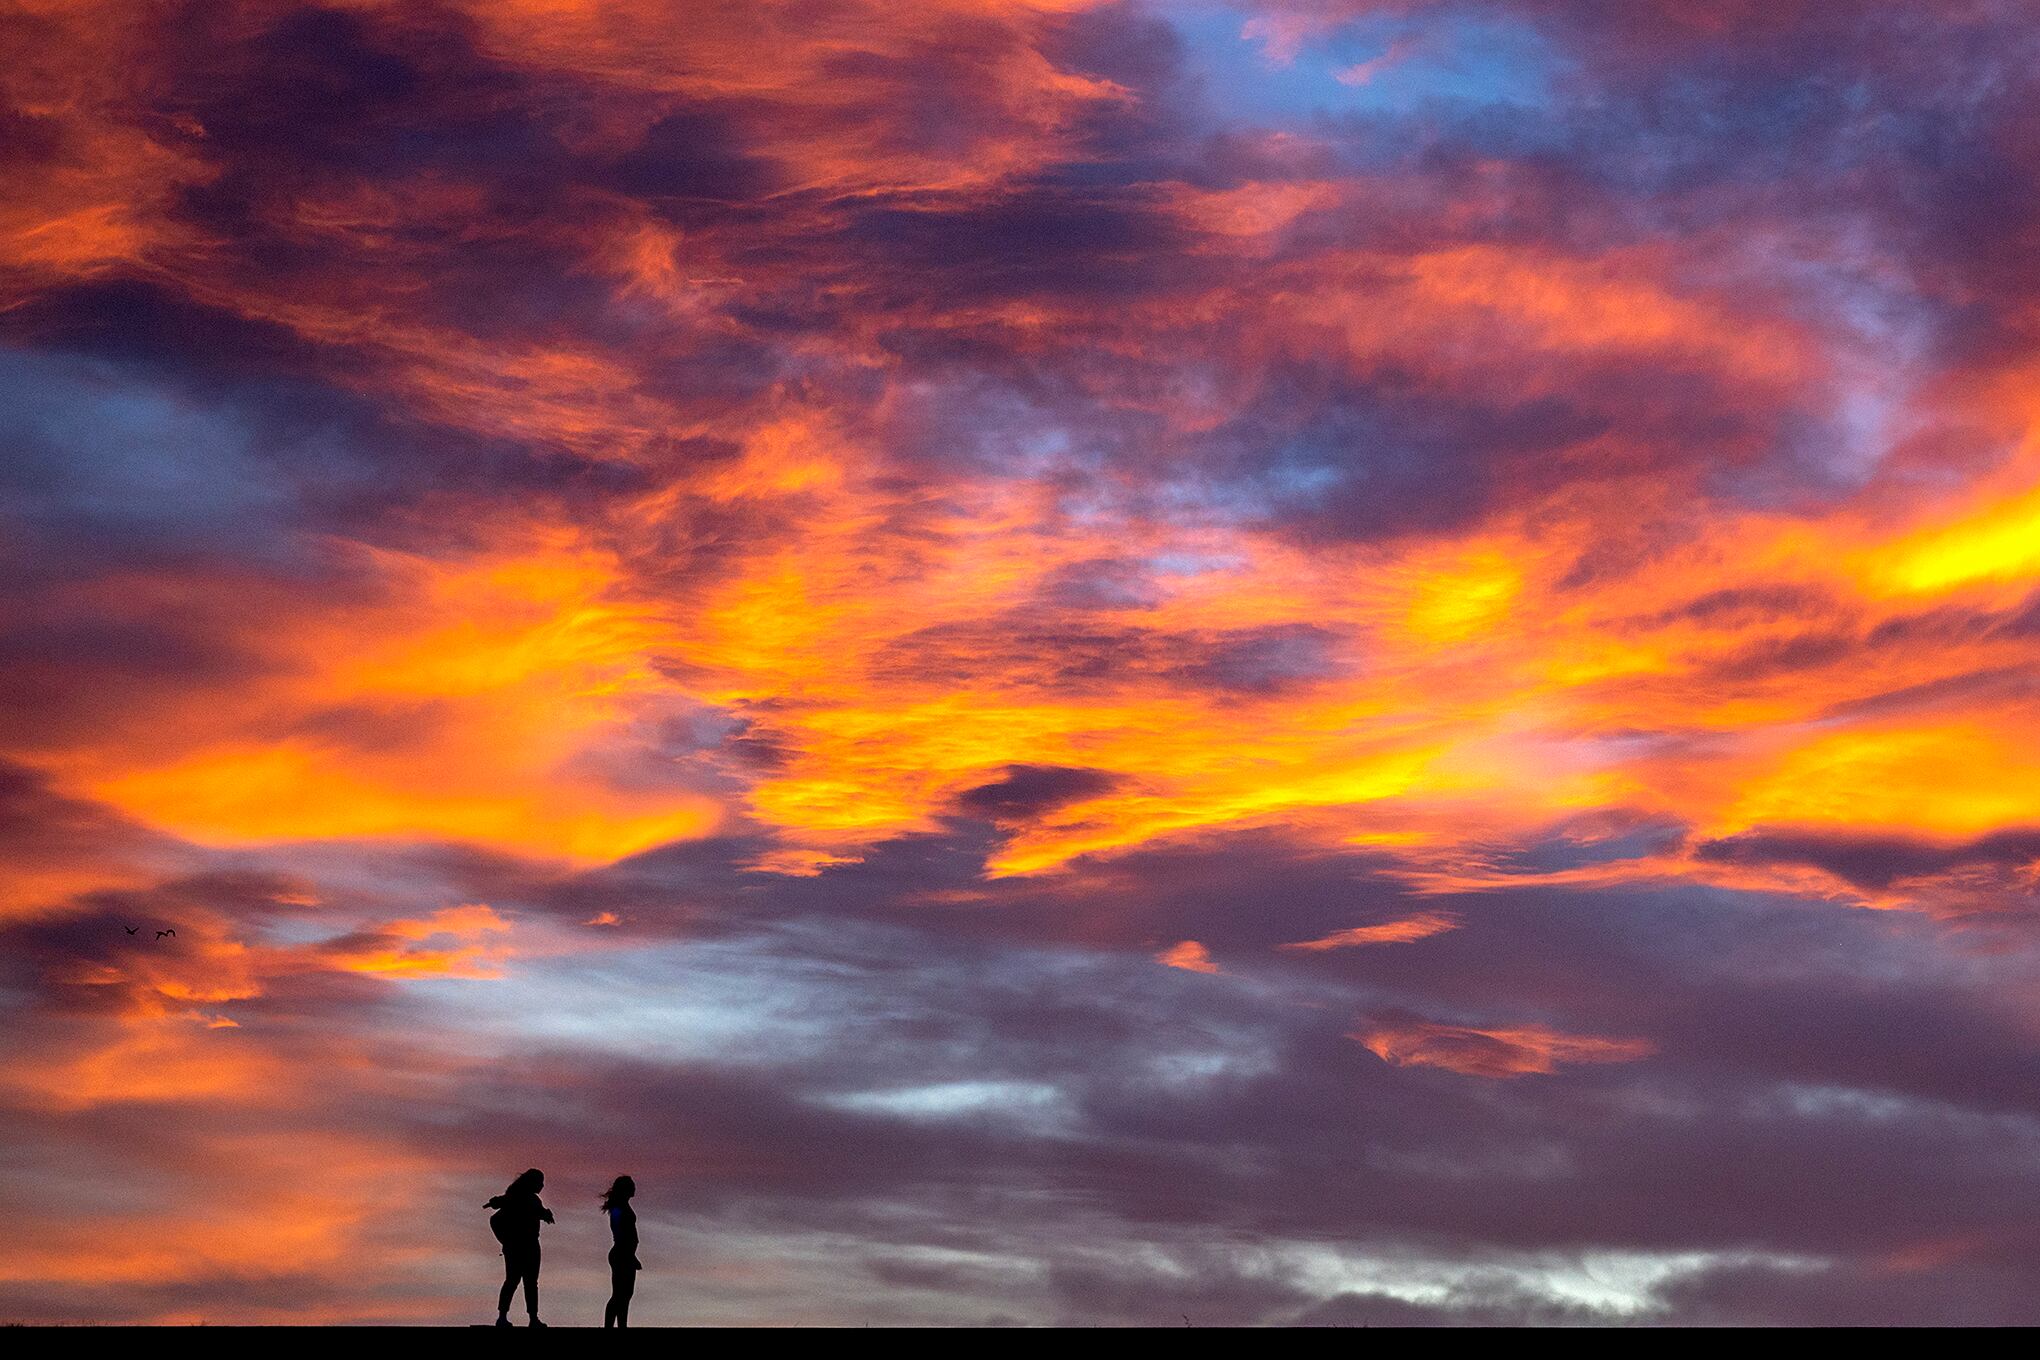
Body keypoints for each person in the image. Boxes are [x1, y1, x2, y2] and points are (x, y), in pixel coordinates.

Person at [486, 1168, 554, 1327]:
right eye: (540, 1182)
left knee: (521, 1281)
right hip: (522, 1246)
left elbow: (497, 1210)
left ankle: (523, 1318)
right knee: (520, 1281)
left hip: (524, 1245)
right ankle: (513, 1318)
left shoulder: (518, 1198)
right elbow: (495, 1219)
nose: (542, 1185)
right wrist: (505, 1241)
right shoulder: (523, 1199)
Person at [601, 1174, 641, 1328]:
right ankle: (609, 1327)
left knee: (626, 1294)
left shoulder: (623, 1205)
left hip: (626, 1253)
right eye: (631, 1185)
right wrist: (629, 1254)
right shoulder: (618, 1208)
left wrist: (632, 1255)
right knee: (619, 1295)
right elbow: (618, 1230)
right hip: (621, 1254)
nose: (634, 1188)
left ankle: (622, 1326)